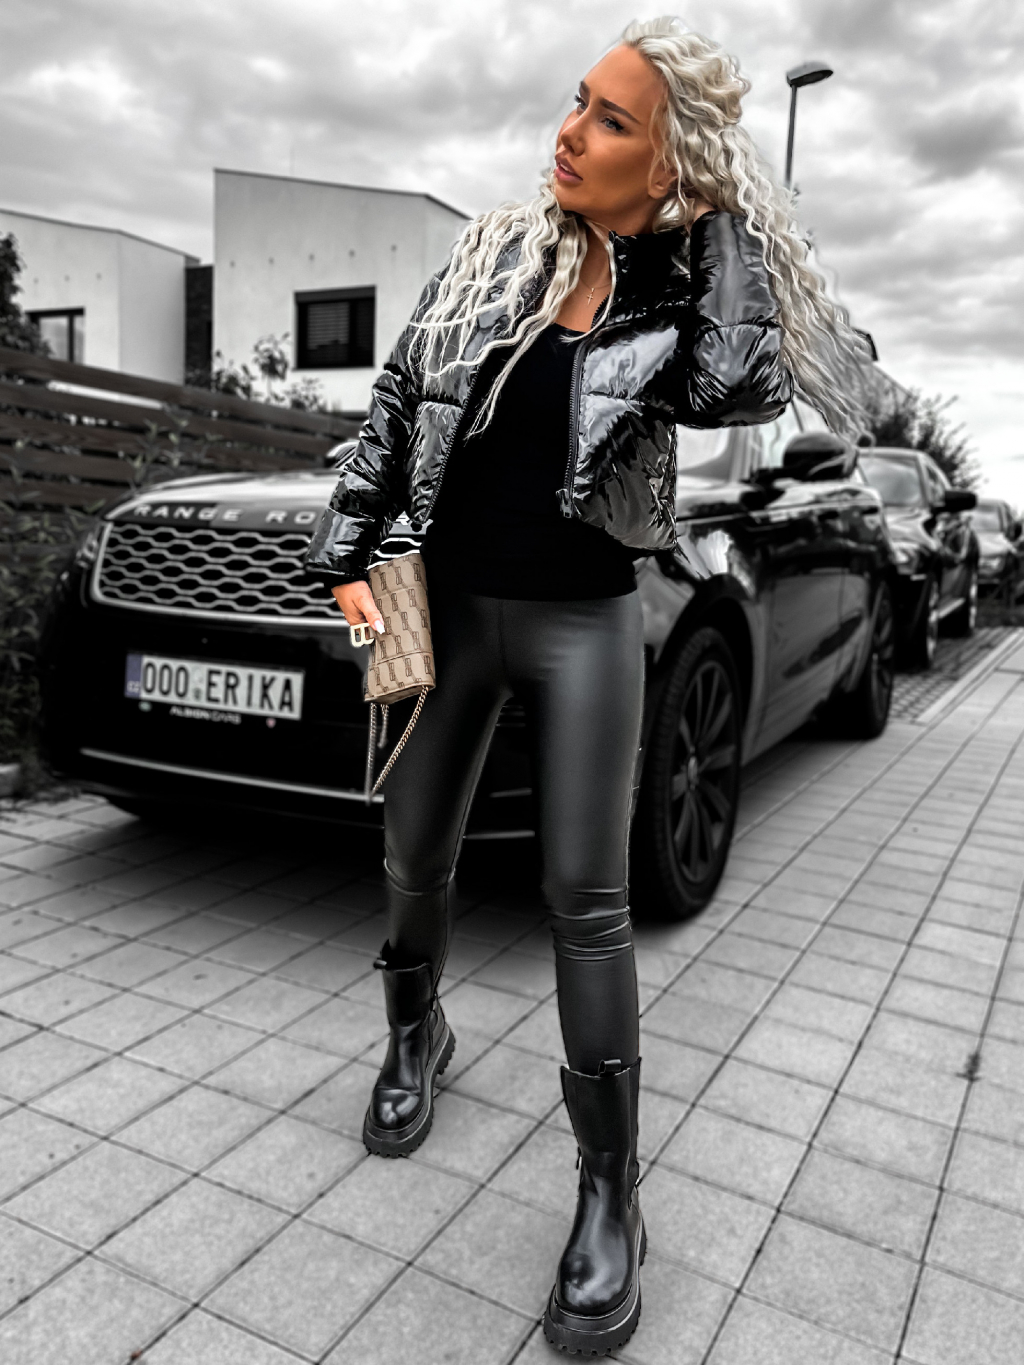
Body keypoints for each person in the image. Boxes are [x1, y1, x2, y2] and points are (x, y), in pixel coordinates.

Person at [306, 16, 865, 1355]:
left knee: (588, 900)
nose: (570, 131)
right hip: (447, 607)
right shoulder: (493, 254)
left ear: (669, 164)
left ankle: (611, 1193)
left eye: (613, 120)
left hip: (585, 622)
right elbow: (398, 404)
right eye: (577, 102)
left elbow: (740, 383)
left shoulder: (679, 295)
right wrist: (345, 556)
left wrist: (715, 223)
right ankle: (414, 1040)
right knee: (414, 850)